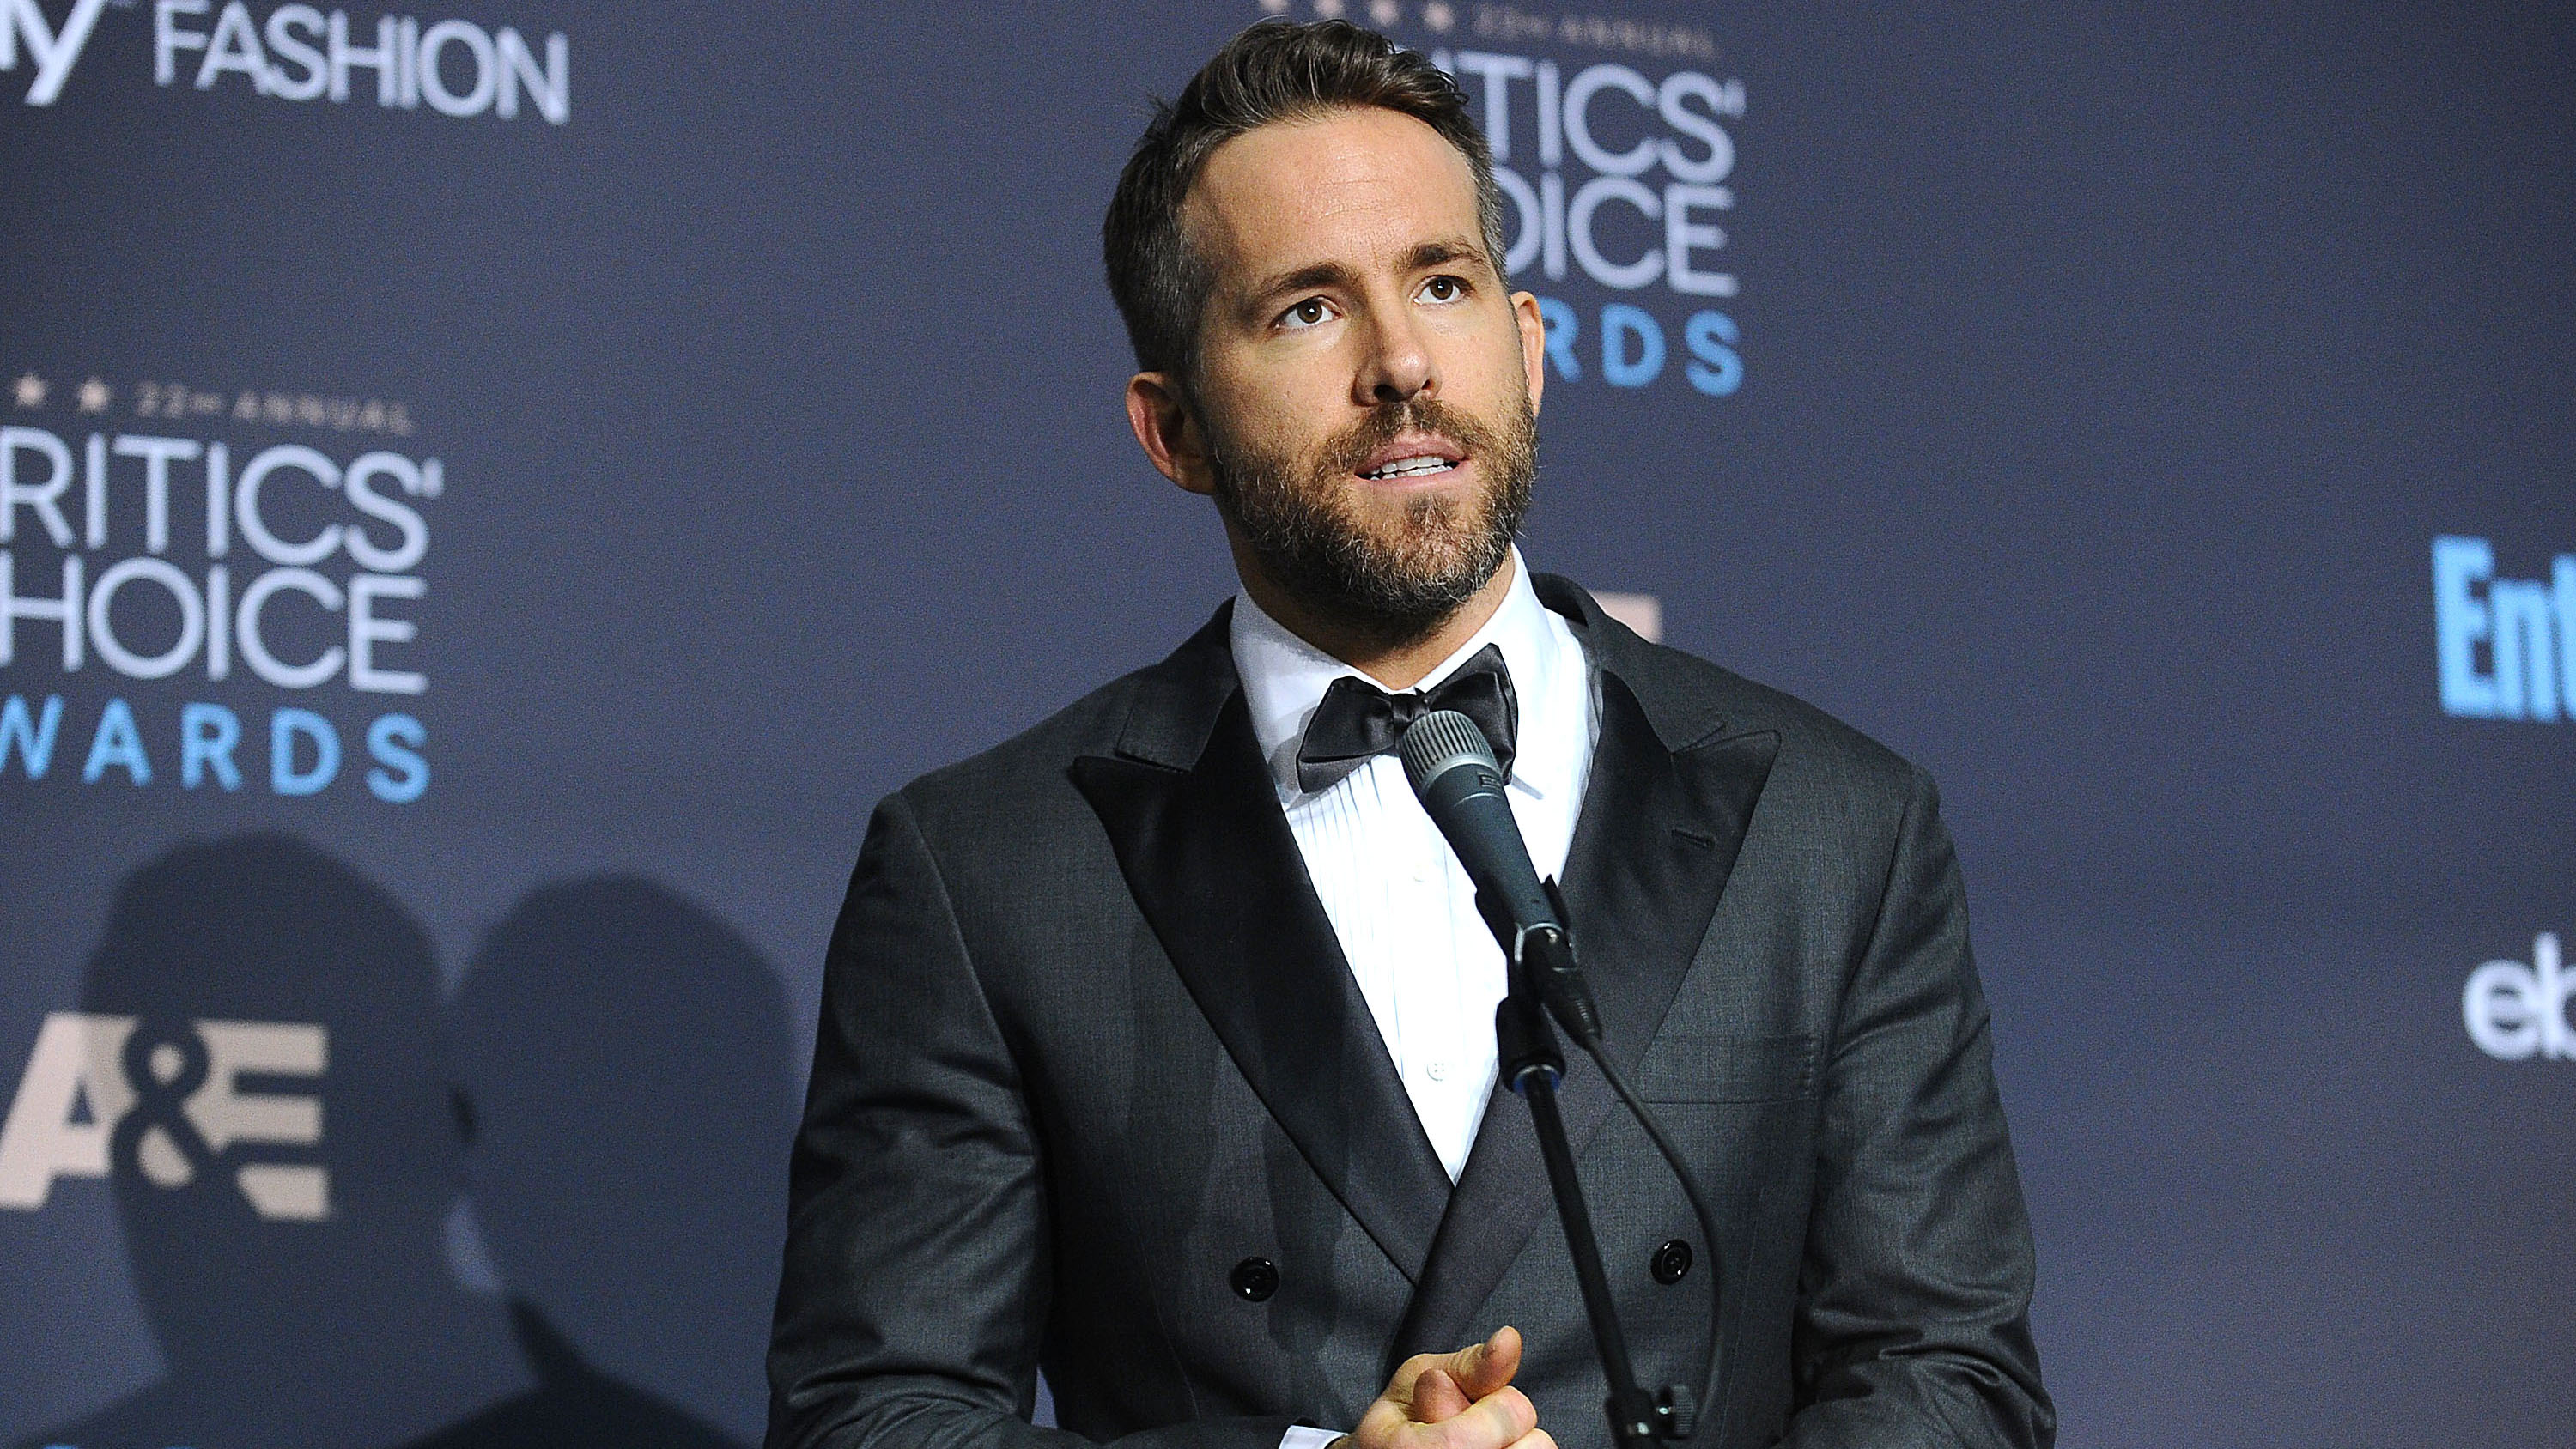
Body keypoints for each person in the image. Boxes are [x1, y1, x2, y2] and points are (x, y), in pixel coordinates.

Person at [769, 19, 2050, 1449]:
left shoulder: (1837, 827)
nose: (1399, 363)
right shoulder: (990, 874)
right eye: (1306, 309)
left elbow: (1953, 1382)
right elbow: (873, 1420)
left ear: (1528, 345)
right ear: (1172, 430)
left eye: (1442, 282)